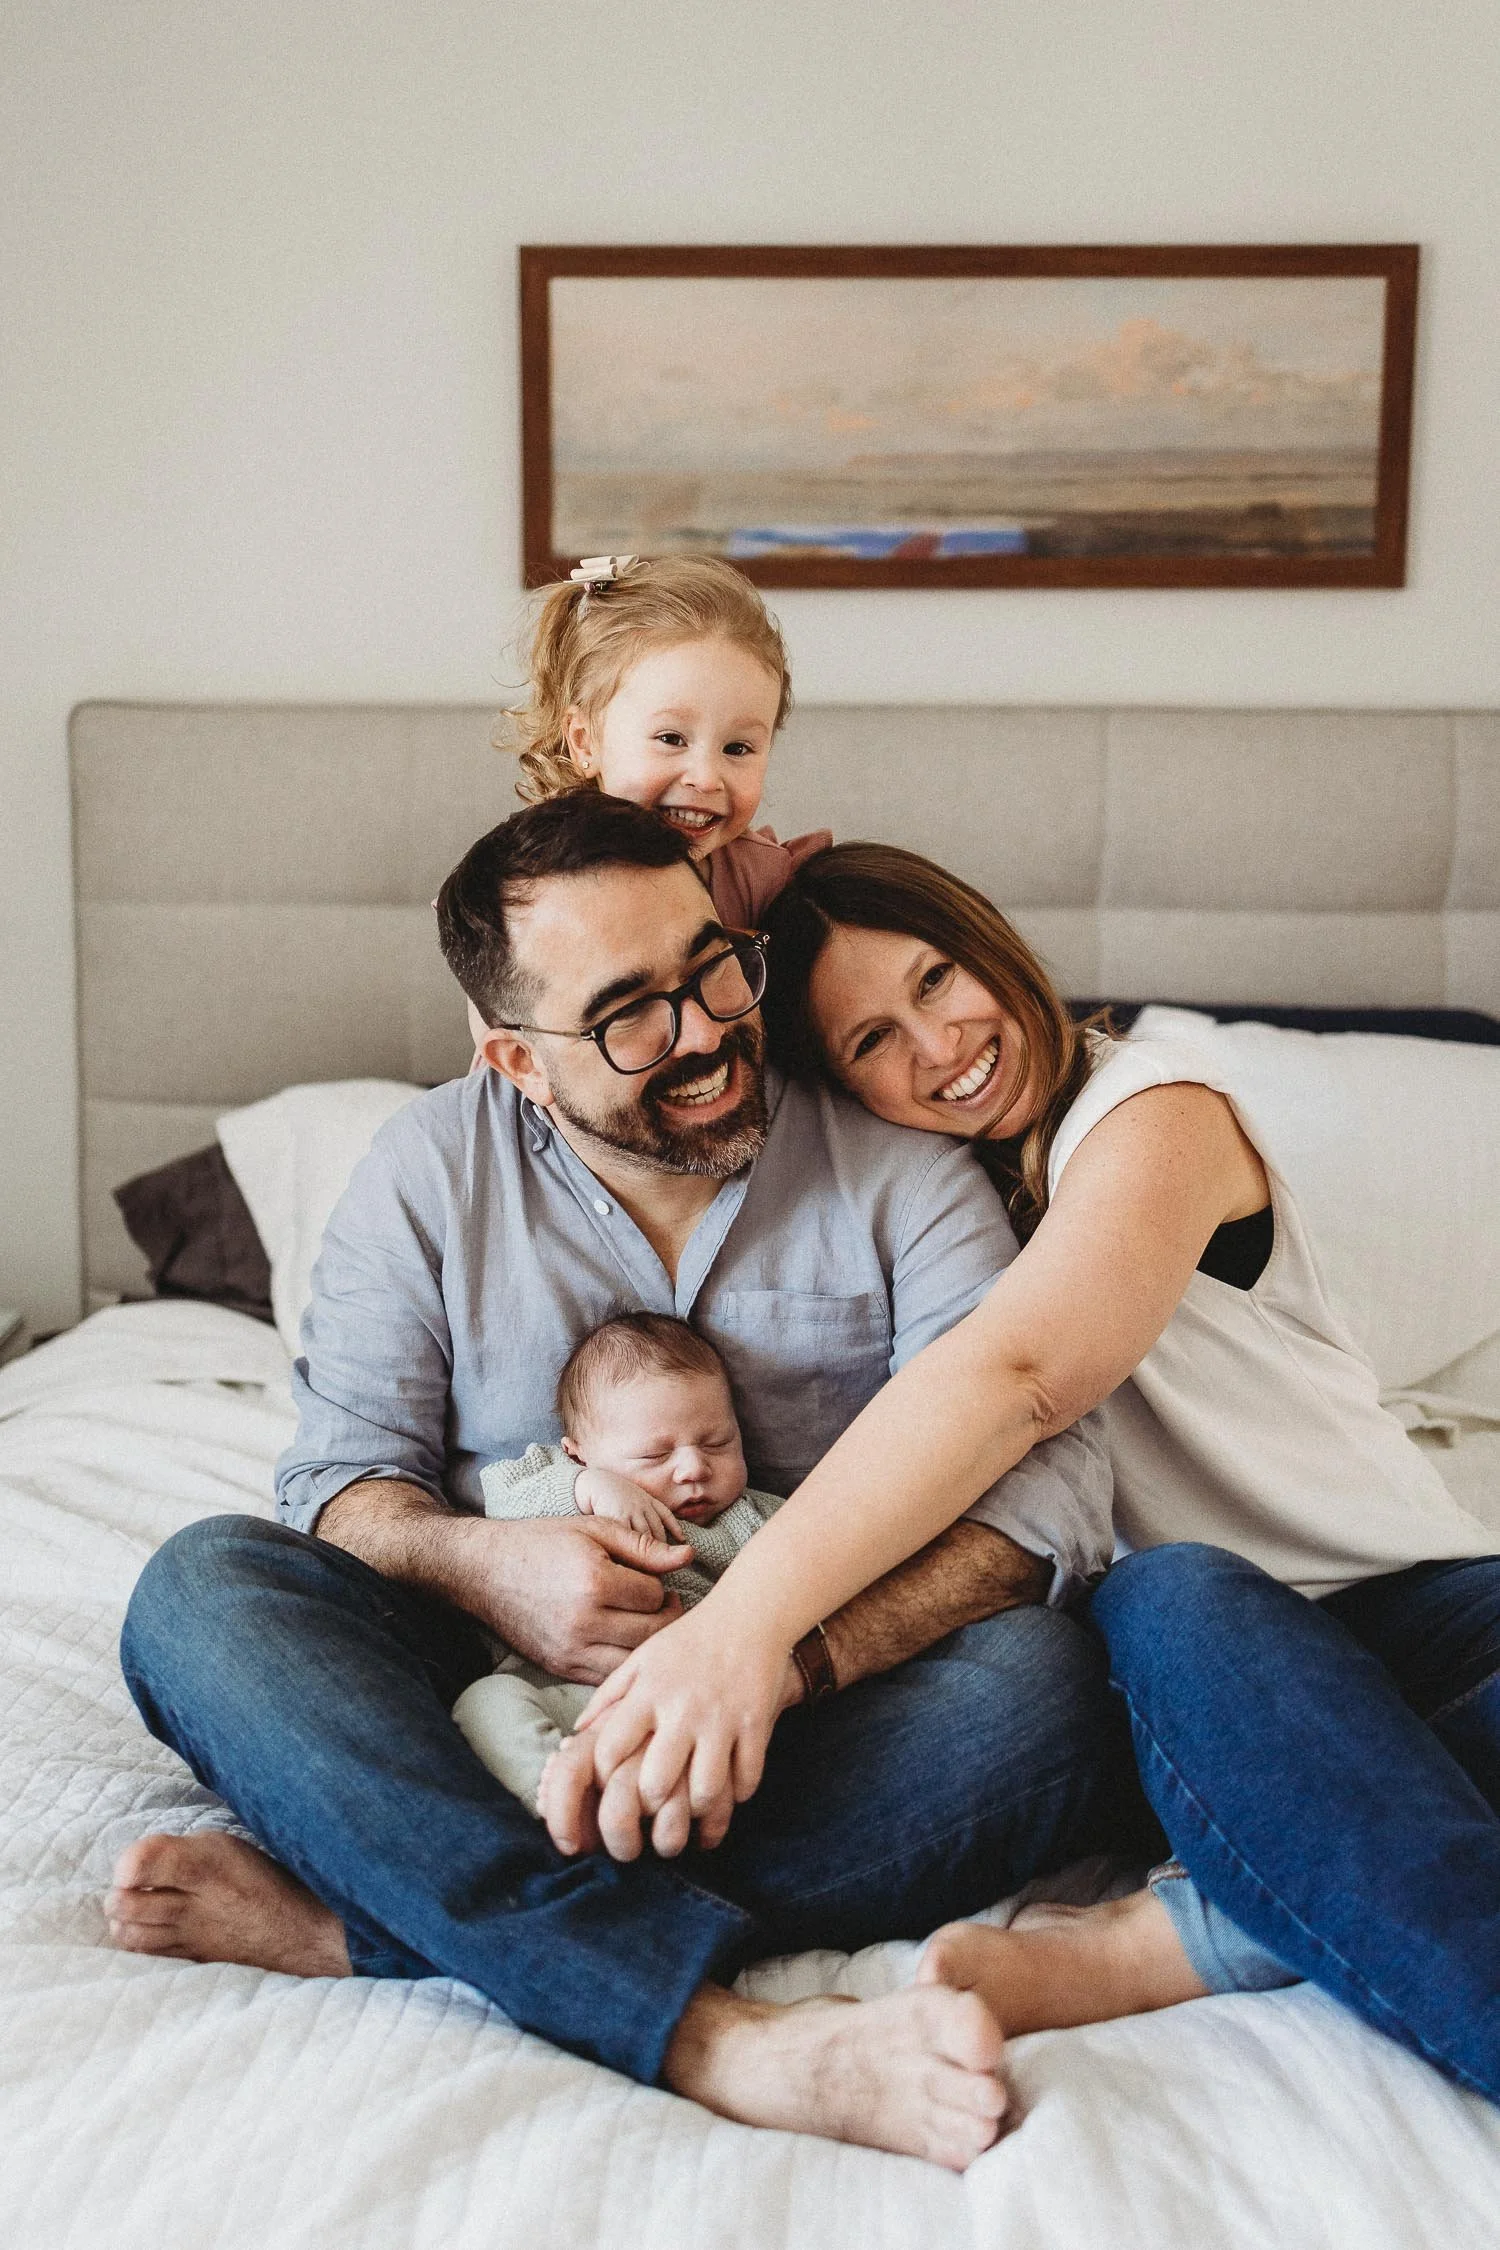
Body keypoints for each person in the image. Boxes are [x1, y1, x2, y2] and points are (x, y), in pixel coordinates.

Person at [107, 795, 1121, 2172]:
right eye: (630, 1012)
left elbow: (1043, 1503)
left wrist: (778, 1656)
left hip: (812, 1713)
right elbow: (343, 1484)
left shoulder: (897, 1165)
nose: (705, 1031)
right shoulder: (427, 1171)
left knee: (1051, 1693)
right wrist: (487, 1563)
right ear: (517, 1056)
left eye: (713, 965)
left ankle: (379, 1922)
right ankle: (721, 2036)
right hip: (493, 1706)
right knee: (201, 1592)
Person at [562, 840, 1500, 2104]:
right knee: (1164, 1607)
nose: (939, 1048)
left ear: (987, 936)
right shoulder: (926, 1210)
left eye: (939, 980)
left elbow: (1022, 1378)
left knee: (1228, 1634)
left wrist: (742, 1633)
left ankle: (1200, 1929)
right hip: (1205, 1694)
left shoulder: (1154, 1109)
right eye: (873, 1043)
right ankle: (1240, 1906)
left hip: (1426, 1619)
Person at [453, 1311, 786, 1814]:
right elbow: (501, 1499)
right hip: (560, 1695)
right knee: (484, 1703)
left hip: (683, 1706)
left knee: (706, 1761)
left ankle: (633, 1808)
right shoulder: (567, 1488)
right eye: (655, 1456)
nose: (694, 1467)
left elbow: (816, 1559)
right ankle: (557, 1793)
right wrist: (585, 1488)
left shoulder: (752, 1517)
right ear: (579, 1453)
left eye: (718, 1442)